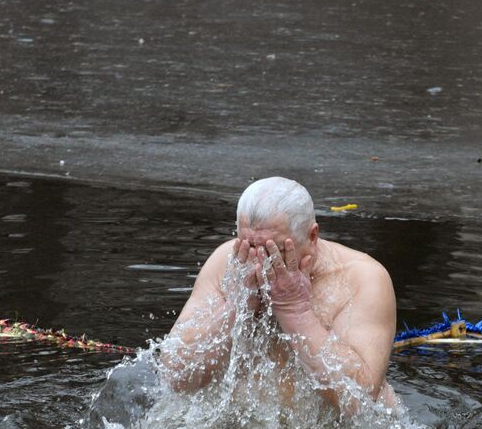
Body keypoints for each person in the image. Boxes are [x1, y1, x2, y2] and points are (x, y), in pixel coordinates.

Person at [159, 177, 399, 414]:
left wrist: (295, 310)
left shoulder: (361, 278)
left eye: (274, 250)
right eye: (250, 246)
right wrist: (239, 306)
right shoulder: (226, 261)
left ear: (312, 236)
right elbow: (174, 377)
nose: (260, 262)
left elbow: (360, 402)